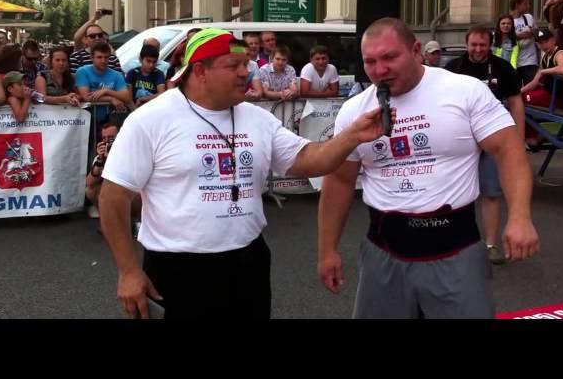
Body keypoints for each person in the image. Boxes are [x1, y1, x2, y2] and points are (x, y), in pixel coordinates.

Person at [98, 27, 394, 319]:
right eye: (234, 66)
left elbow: (310, 159)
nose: (246, 73)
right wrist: (128, 271)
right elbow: (113, 197)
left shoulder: (256, 118)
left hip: (247, 262)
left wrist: (353, 135)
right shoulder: (151, 119)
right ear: (199, 71)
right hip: (177, 269)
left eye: (246, 65)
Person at [317, 18, 539, 319]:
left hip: (455, 249)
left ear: (416, 50)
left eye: (389, 58)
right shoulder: (354, 110)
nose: (380, 70)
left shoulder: (463, 90)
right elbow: (340, 181)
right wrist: (327, 249)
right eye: (370, 61)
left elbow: (509, 150)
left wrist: (520, 217)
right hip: (384, 250)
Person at [445, 25, 525, 265]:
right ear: (466, 43)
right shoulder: (453, 69)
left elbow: (516, 104)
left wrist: (518, 139)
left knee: (491, 192)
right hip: (460, 139)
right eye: (474, 44)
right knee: (456, 193)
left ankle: (490, 244)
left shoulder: (502, 67)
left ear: (489, 44)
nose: (478, 49)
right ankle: (456, 243)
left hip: (494, 138)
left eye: (483, 45)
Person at [510, 0, 539, 85]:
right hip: (514, 62)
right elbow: (503, 38)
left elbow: (537, 32)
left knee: (530, 90)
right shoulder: (508, 20)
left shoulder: (529, 17)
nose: (528, 6)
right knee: (515, 90)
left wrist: (533, 32)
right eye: (525, 4)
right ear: (517, 5)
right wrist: (521, 35)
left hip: (530, 61)